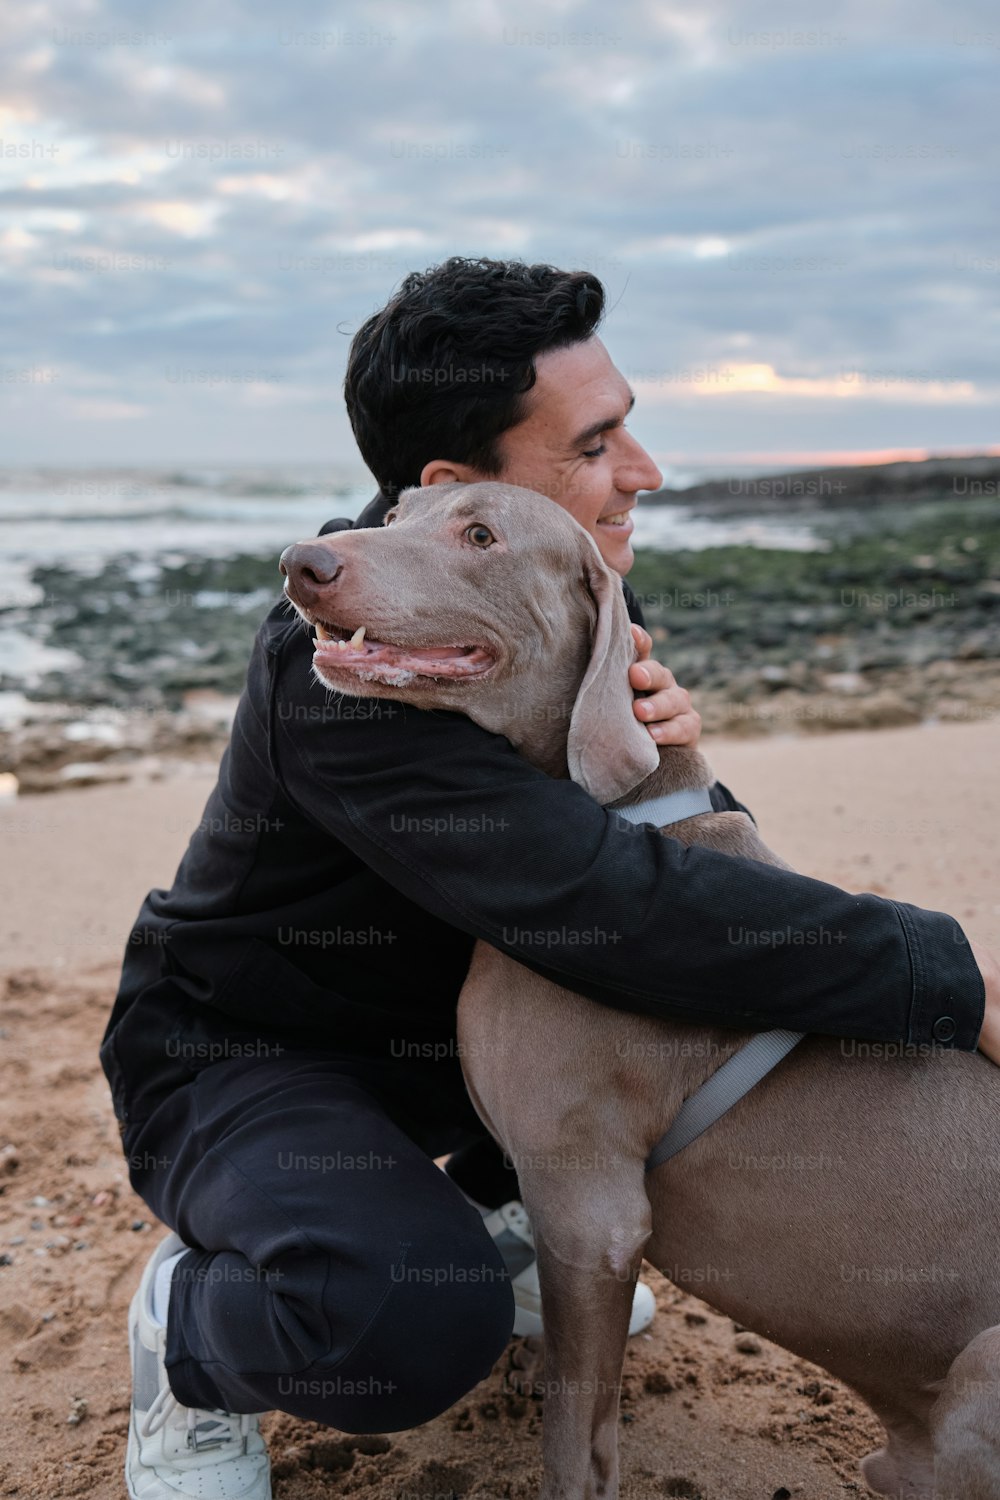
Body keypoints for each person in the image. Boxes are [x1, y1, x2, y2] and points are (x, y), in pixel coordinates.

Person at [102, 257, 997, 1500]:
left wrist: (678, 760)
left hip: (475, 1070)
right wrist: (949, 977)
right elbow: (615, 907)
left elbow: (678, 851)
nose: (645, 471)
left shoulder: (521, 590)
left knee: (505, 1205)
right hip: (250, 1063)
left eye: (627, 423)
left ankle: (493, 1202)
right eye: (596, 442)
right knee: (400, 1322)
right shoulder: (350, 673)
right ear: (453, 489)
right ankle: (191, 1332)